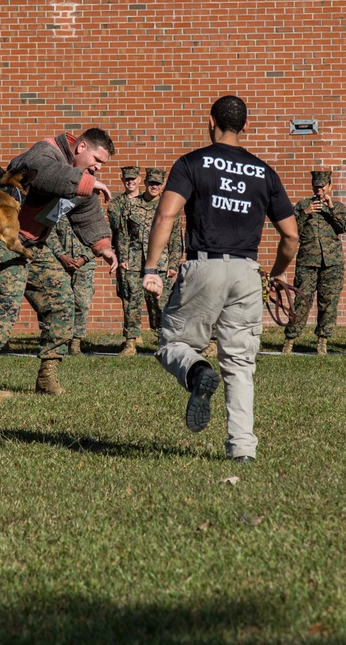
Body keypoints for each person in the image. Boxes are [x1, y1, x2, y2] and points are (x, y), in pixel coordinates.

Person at [142, 95, 298, 463]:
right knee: (241, 364)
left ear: (210, 122)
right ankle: (242, 448)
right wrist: (273, 275)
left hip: (205, 264)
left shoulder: (191, 162)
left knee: (172, 343)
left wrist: (151, 268)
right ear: (245, 125)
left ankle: (197, 372)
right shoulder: (264, 171)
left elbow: (165, 217)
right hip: (247, 271)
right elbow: (291, 237)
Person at [0, 127, 118, 399]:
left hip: (35, 245)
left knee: (61, 299)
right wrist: (85, 182)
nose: (97, 168)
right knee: (7, 301)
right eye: (97, 159)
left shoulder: (80, 177)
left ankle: (47, 377)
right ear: (81, 147)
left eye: (102, 165)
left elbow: (87, 211)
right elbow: (43, 174)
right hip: (1, 240)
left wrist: (103, 245)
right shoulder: (45, 151)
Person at [109, 166, 182, 356]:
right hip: (133, 262)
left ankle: (162, 341)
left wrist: (173, 265)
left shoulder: (168, 208)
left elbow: (175, 239)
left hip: (160, 265)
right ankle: (130, 343)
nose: (154, 186)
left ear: (163, 185)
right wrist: (123, 258)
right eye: (151, 183)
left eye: (158, 184)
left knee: (159, 304)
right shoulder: (131, 205)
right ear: (146, 182)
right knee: (132, 302)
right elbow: (122, 234)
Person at [281, 170, 346, 356]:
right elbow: (291, 229)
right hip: (308, 262)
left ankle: (322, 343)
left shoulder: (337, 206)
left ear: (330, 186)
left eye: (322, 187)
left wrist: (332, 208)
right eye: (316, 187)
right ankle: (290, 342)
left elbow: (344, 227)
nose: (319, 190)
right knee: (301, 301)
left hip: (332, 263)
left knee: (328, 303)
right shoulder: (303, 205)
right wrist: (305, 213)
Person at [46, 214, 97, 355]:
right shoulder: (57, 207)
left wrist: (85, 257)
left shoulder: (90, 209)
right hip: (60, 264)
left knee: (82, 304)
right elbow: (50, 233)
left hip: (85, 265)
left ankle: (75, 342)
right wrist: (62, 256)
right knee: (60, 303)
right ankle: (59, 341)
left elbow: (100, 237)